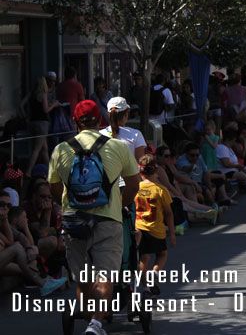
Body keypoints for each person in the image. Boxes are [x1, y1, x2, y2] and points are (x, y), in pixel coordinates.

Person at [48, 99, 139, 335]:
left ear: (74, 121)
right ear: (100, 120)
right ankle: (96, 324)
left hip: (74, 220)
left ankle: (89, 315)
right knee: (106, 273)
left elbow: (54, 188)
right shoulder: (117, 146)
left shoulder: (61, 149)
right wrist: (120, 205)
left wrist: (69, 204)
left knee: (83, 275)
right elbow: (133, 184)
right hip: (108, 219)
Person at [134, 153, 175, 294]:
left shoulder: (135, 188)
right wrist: (173, 233)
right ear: (156, 171)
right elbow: (168, 213)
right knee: (162, 253)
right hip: (156, 229)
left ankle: (146, 286)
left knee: (144, 257)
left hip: (139, 228)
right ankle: (155, 272)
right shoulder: (161, 190)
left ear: (140, 171)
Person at [23, 76, 55, 174]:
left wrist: (25, 118)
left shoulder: (31, 94)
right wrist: (54, 105)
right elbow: (45, 110)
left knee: (44, 148)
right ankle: (28, 172)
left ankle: (51, 171)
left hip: (33, 122)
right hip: (42, 123)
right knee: (37, 149)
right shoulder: (43, 95)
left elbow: (21, 105)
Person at [100, 97, 147, 162]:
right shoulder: (136, 135)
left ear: (108, 114)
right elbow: (140, 163)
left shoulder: (99, 135)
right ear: (126, 114)